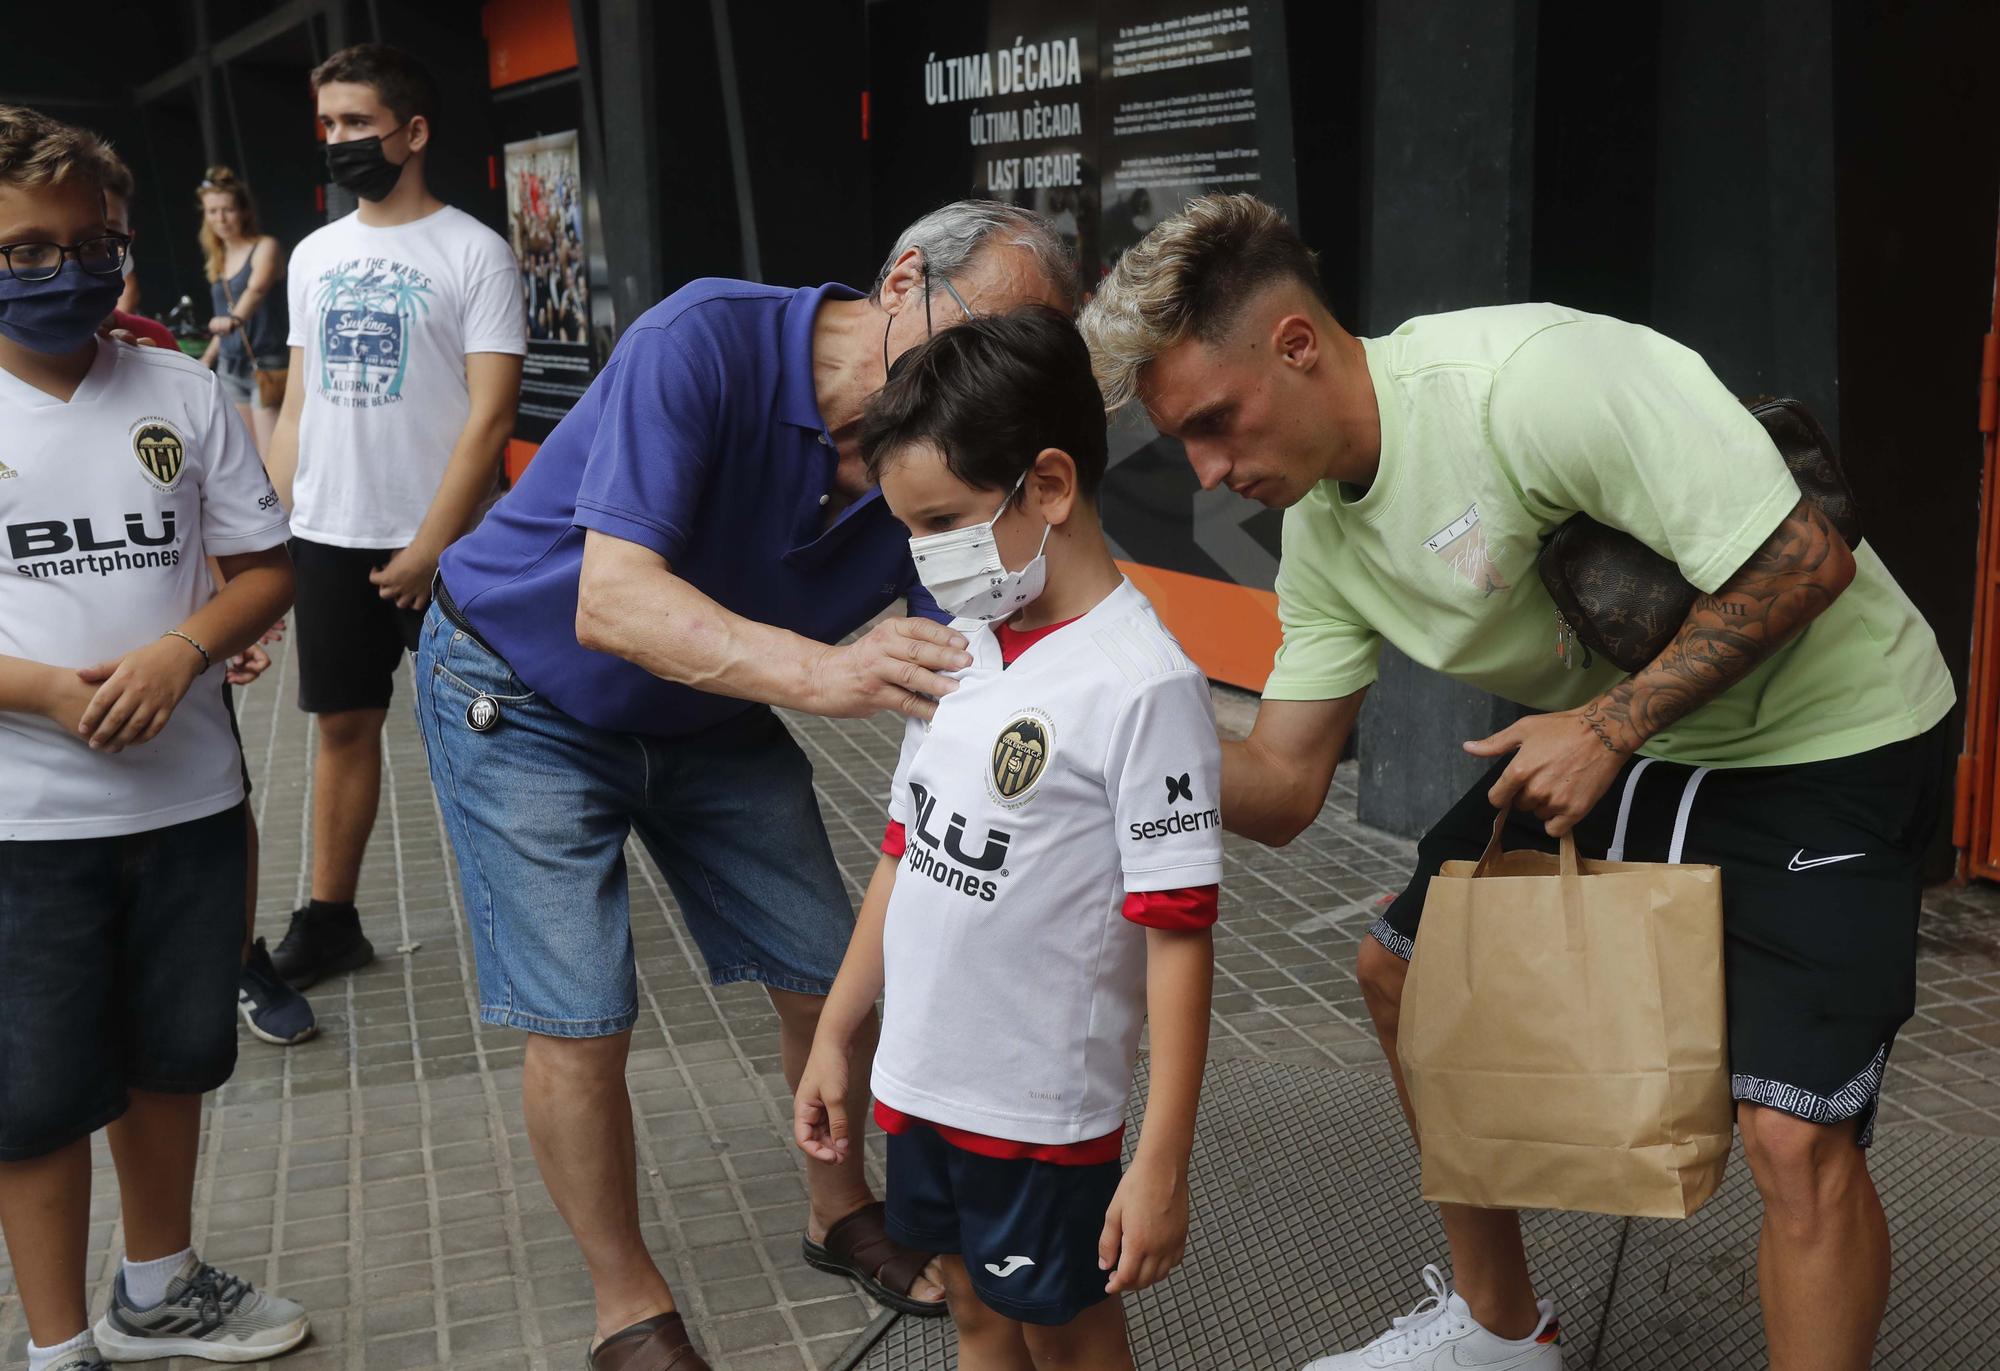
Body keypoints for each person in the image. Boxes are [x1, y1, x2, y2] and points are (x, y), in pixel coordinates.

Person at [1079, 193, 1955, 1371]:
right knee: (1400, 970)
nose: (1207, 470)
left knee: (1791, 1139)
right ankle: (1502, 1329)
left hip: (1831, 731)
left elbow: (1806, 556)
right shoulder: (1324, 533)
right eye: (1182, 441)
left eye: (1215, 424)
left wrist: (1604, 723)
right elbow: (1284, 787)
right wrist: (1089, 736)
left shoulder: (1528, 382)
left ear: (1296, 346)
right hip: (1648, 733)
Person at [417, 200, 1076, 1369]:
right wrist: (827, 673)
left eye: (1031, 359)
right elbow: (611, 601)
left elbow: (975, 648)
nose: (1005, 381)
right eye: (990, 334)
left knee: (836, 973)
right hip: (520, 690)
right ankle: (626, 1303)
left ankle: (838, 1210)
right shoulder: (702, 340)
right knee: (581, 1011)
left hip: (709, 702)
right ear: (904, 278)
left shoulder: (955, 439)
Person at [794, 308, 1221, 1368]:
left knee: (1062, 1331)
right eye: (908, 529)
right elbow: (908, 848)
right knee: (975, 1314)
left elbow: (1177, 934)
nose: (926, 555)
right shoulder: (959, 647)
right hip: (919, 1085)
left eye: (943, 520)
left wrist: (1160, 1157)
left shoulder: (1143, 685)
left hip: (1040, 1117)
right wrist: (838, 1035)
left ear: (1049, 486)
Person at [0, 104, 308, 1371]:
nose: (64, 270)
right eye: (24, 248)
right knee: (33, 1101)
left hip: (185, 806)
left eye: (93, 244)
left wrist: (181, 649)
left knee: (171, 1057)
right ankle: (56, 1346)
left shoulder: (179, 388)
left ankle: (158, 1287)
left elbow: (263, 568)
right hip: (25, 827)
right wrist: (48, 694)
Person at [265, 43, 525, 993]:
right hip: (328, 536)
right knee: (342, 728)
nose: (339, 142)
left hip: (448, 545)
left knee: (489, 729)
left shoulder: (474, 251)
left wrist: (430, 546)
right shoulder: (315, 253)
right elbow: (297, 408)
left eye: (356, 123)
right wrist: (261, 543)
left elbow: (492, 413)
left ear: (412, 132)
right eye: (327, 124)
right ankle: (330, 921)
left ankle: (529, 915)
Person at [86, 139, 313, 1046]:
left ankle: (240, 956)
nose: (83, 265)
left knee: (225, 804)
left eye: (103, 241)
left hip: (183, 696)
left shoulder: (158, 365)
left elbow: (200, 521)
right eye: (37, 245)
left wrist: (219, 622)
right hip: (34, 743)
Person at [195, 167, 287, 457]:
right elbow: (223, 316)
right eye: (212, 211)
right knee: (247, 456)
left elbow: (256, 290)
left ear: (243, 211)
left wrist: (234, 320)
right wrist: (205, 361)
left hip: (265, 363)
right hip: (230, 365)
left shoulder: (265, 247)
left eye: (227, 210)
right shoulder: (219, 258)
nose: (219, 218)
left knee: (271, 457)